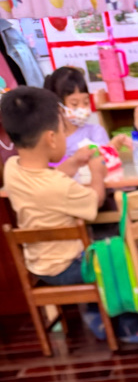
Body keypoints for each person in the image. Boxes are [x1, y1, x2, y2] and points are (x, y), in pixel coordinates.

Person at [0, 85, 106, 286]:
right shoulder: (62, 187)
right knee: (117, 254)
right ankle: (122, 308)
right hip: (70, 267)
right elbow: (96, 200)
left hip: (38, 266)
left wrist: (74, 162)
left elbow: (45, 179)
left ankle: (90, 305)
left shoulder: (12, 168)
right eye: (62, 130)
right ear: (51, 138)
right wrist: (97, 173)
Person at [44, 66, 129, 165]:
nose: (82, 108)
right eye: (74, 104)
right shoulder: (50, 140)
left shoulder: (95, 132)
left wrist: (113, 146)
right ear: (58, 106)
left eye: (86, 102)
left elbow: (104, 163)